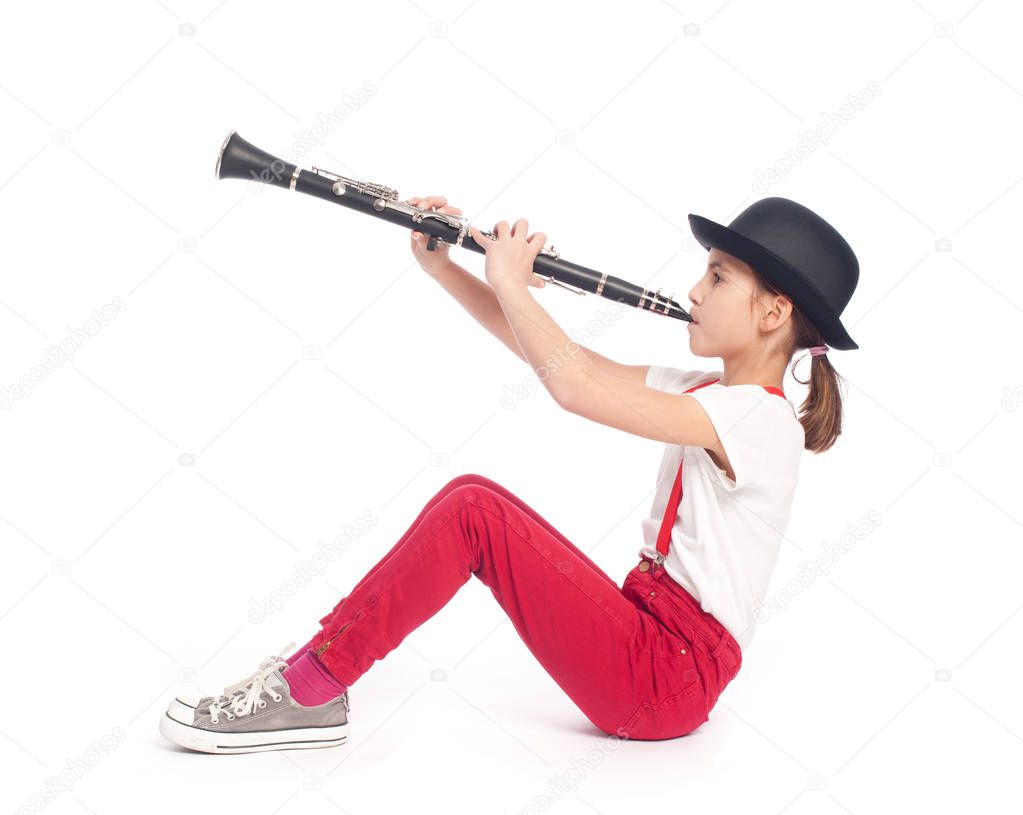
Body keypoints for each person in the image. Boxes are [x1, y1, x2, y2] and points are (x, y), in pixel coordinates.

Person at [159, 194, 860, 753]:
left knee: (474, 511)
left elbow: (575, 390)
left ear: (774, 312)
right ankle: (314, 677)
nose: (694, 289)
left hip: (665, 675)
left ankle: (310, 687)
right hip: (651, 644)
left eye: (717, 276)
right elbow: (564, 359)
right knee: (475, 502)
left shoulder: (761, 420)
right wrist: (451, 269)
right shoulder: (706, 389)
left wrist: (515, 282)